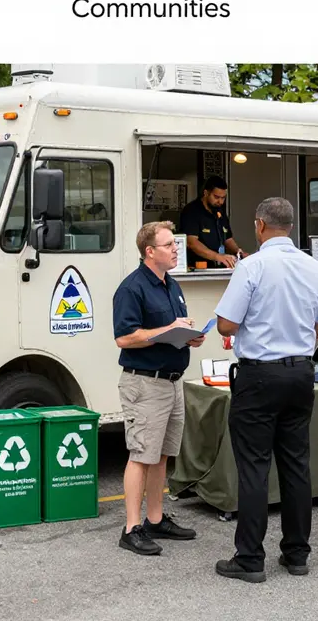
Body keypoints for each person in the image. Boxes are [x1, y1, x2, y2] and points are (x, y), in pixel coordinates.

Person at [213, 197, 318, 582]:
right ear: (292, 227)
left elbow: (226, 325)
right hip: (300, 373)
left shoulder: (251, 266)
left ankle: (250, 557)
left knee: (254, 467)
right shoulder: (316, 268)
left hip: (259, 375)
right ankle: (296, 554)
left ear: (260, 225)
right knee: (297, 465)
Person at [113, 221, 206, 556]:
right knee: (141, 455)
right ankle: (131, 528)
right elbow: (124, 337)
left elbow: (170, 330)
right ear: (150, 251)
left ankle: (154, 520)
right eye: (169, 245)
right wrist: (169, 328)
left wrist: (189, 337)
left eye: (175, 244)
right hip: (144, 383)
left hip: (171, 382)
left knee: (162, 455)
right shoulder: (132, 289)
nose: (175, 249)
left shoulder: (172, 285)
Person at [179, 175, 244, 269]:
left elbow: (227, 238)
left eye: (223, 198)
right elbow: (191, 242)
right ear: (206, 193)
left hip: (220, 266)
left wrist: (238, 252)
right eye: (217, 197)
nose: (220, 202)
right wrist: (217, 256)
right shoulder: (192, 211)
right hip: (198, 267)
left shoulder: (220, 211)